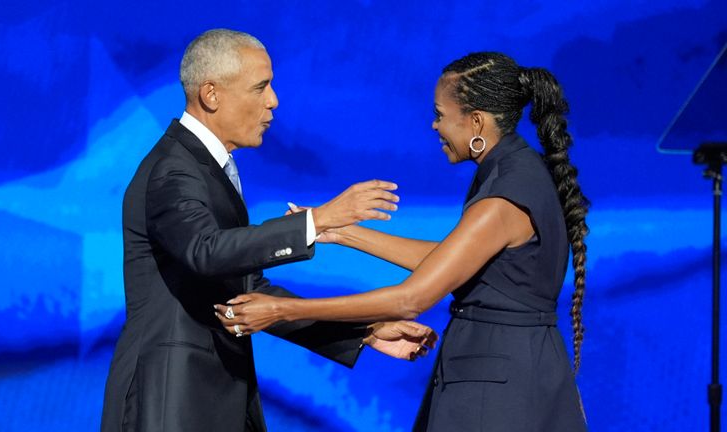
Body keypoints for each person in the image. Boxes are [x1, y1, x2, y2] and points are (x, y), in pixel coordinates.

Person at [215, 51, 590, 431]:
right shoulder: (515, 171)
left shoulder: (504, 194)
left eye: (441, 115)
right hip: (514, 372)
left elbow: (411, 299)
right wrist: (342, 233)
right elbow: (456, 259)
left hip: (494, 391)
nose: (434, 126)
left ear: (476, 121)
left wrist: (281, 311)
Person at [101, 29, 438, 432]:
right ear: (211, 95)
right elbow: (205, 251)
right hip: (172, 398)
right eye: (260, 87)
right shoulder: (175, 169)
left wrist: (363, 332)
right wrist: (318, 220)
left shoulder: (208, 168)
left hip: (217, 395)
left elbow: (248, 294)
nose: (273, 101)